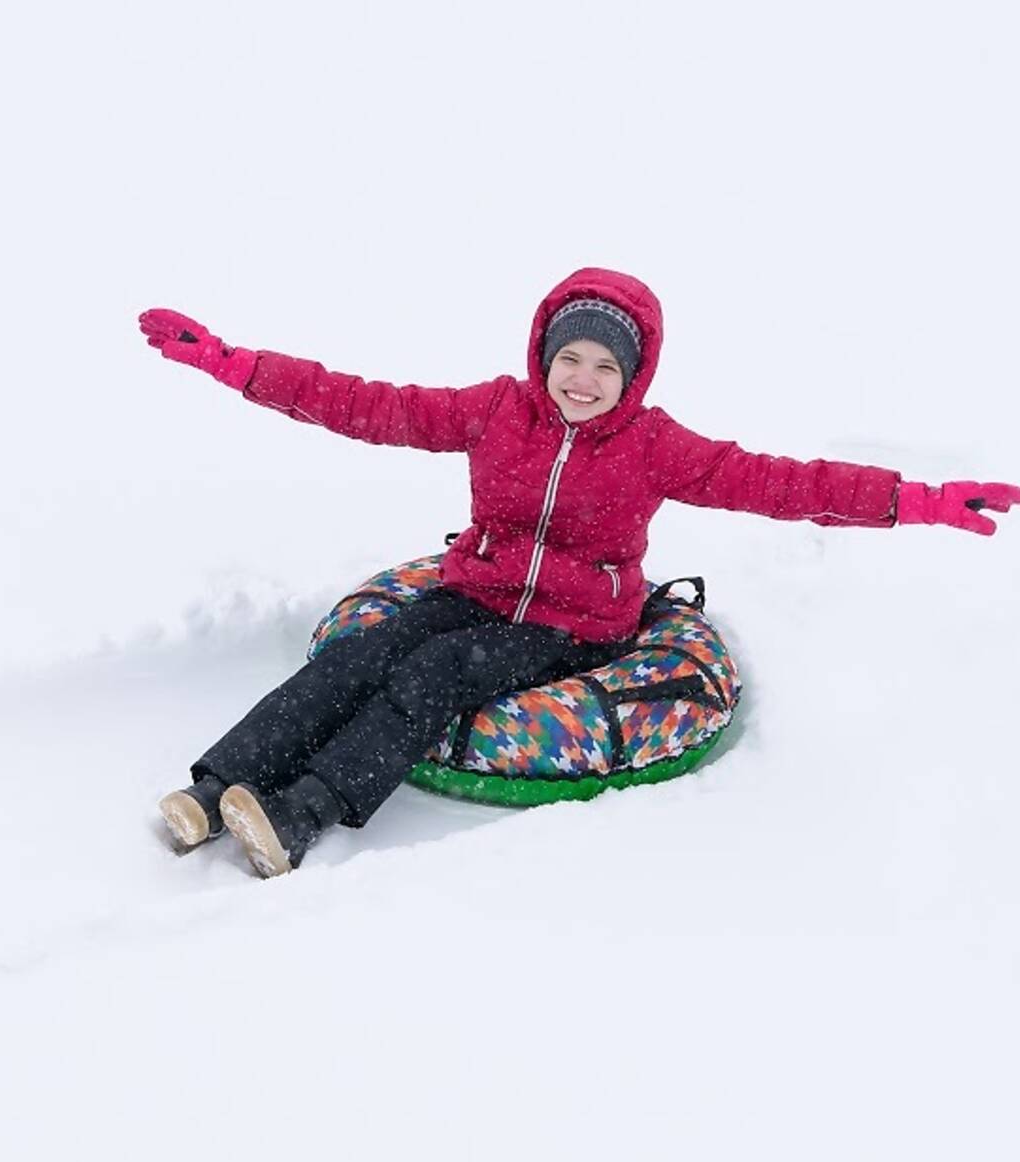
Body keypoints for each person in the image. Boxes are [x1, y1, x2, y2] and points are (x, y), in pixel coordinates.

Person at [140, 268, 1018, 878]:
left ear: (632, 377)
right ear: (543, 355)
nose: (584, 378)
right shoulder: (496, 411)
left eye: (606, 365)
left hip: (568, 629)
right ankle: (216, 788)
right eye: (570, 357)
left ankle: (301, 815)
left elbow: (782, 483)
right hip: (471, 586)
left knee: (434, 673)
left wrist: (919, 499)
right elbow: (372, 406)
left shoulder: (654, 447)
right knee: (363, 654)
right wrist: (235, 364)